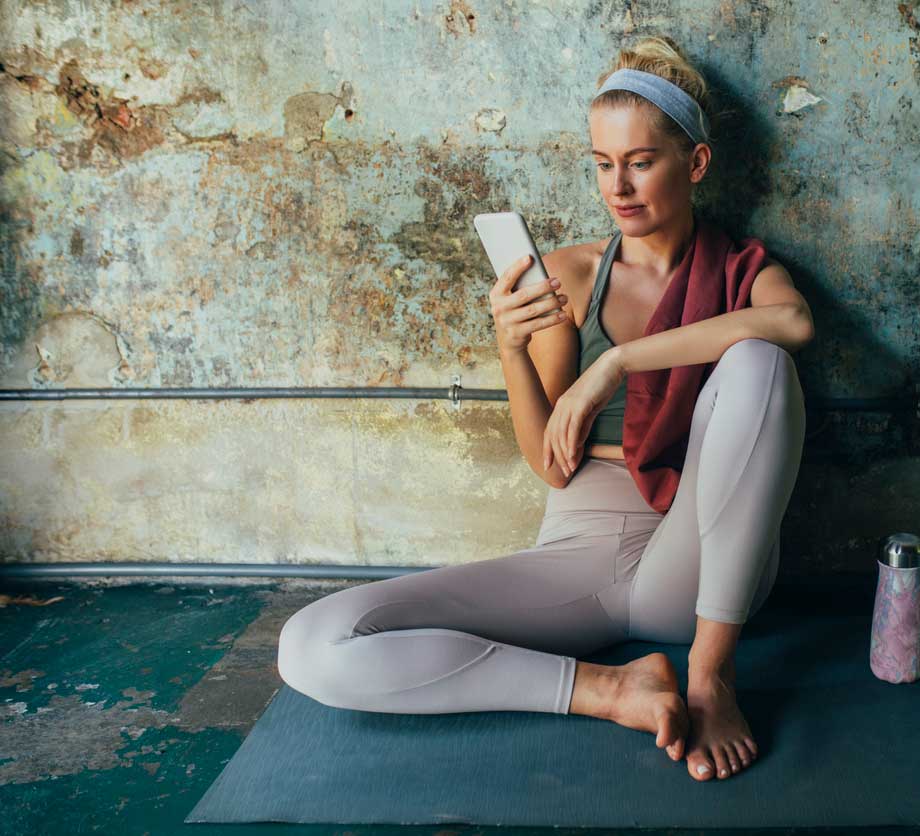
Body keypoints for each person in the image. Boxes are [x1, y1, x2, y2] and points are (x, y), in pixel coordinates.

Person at [277, 35, 814, 784]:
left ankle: (711, 675)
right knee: (316, 641)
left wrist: (616, 364)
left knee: (760, 362)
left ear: (694, 164)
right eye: (601, 163)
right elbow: (547, 463)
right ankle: (612, 689)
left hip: (701, 562)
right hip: (579, 554)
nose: (617, 187)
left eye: (640, 161)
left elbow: (793, 326)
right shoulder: (568, 274)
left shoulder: (741, 270)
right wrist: (510, 347)